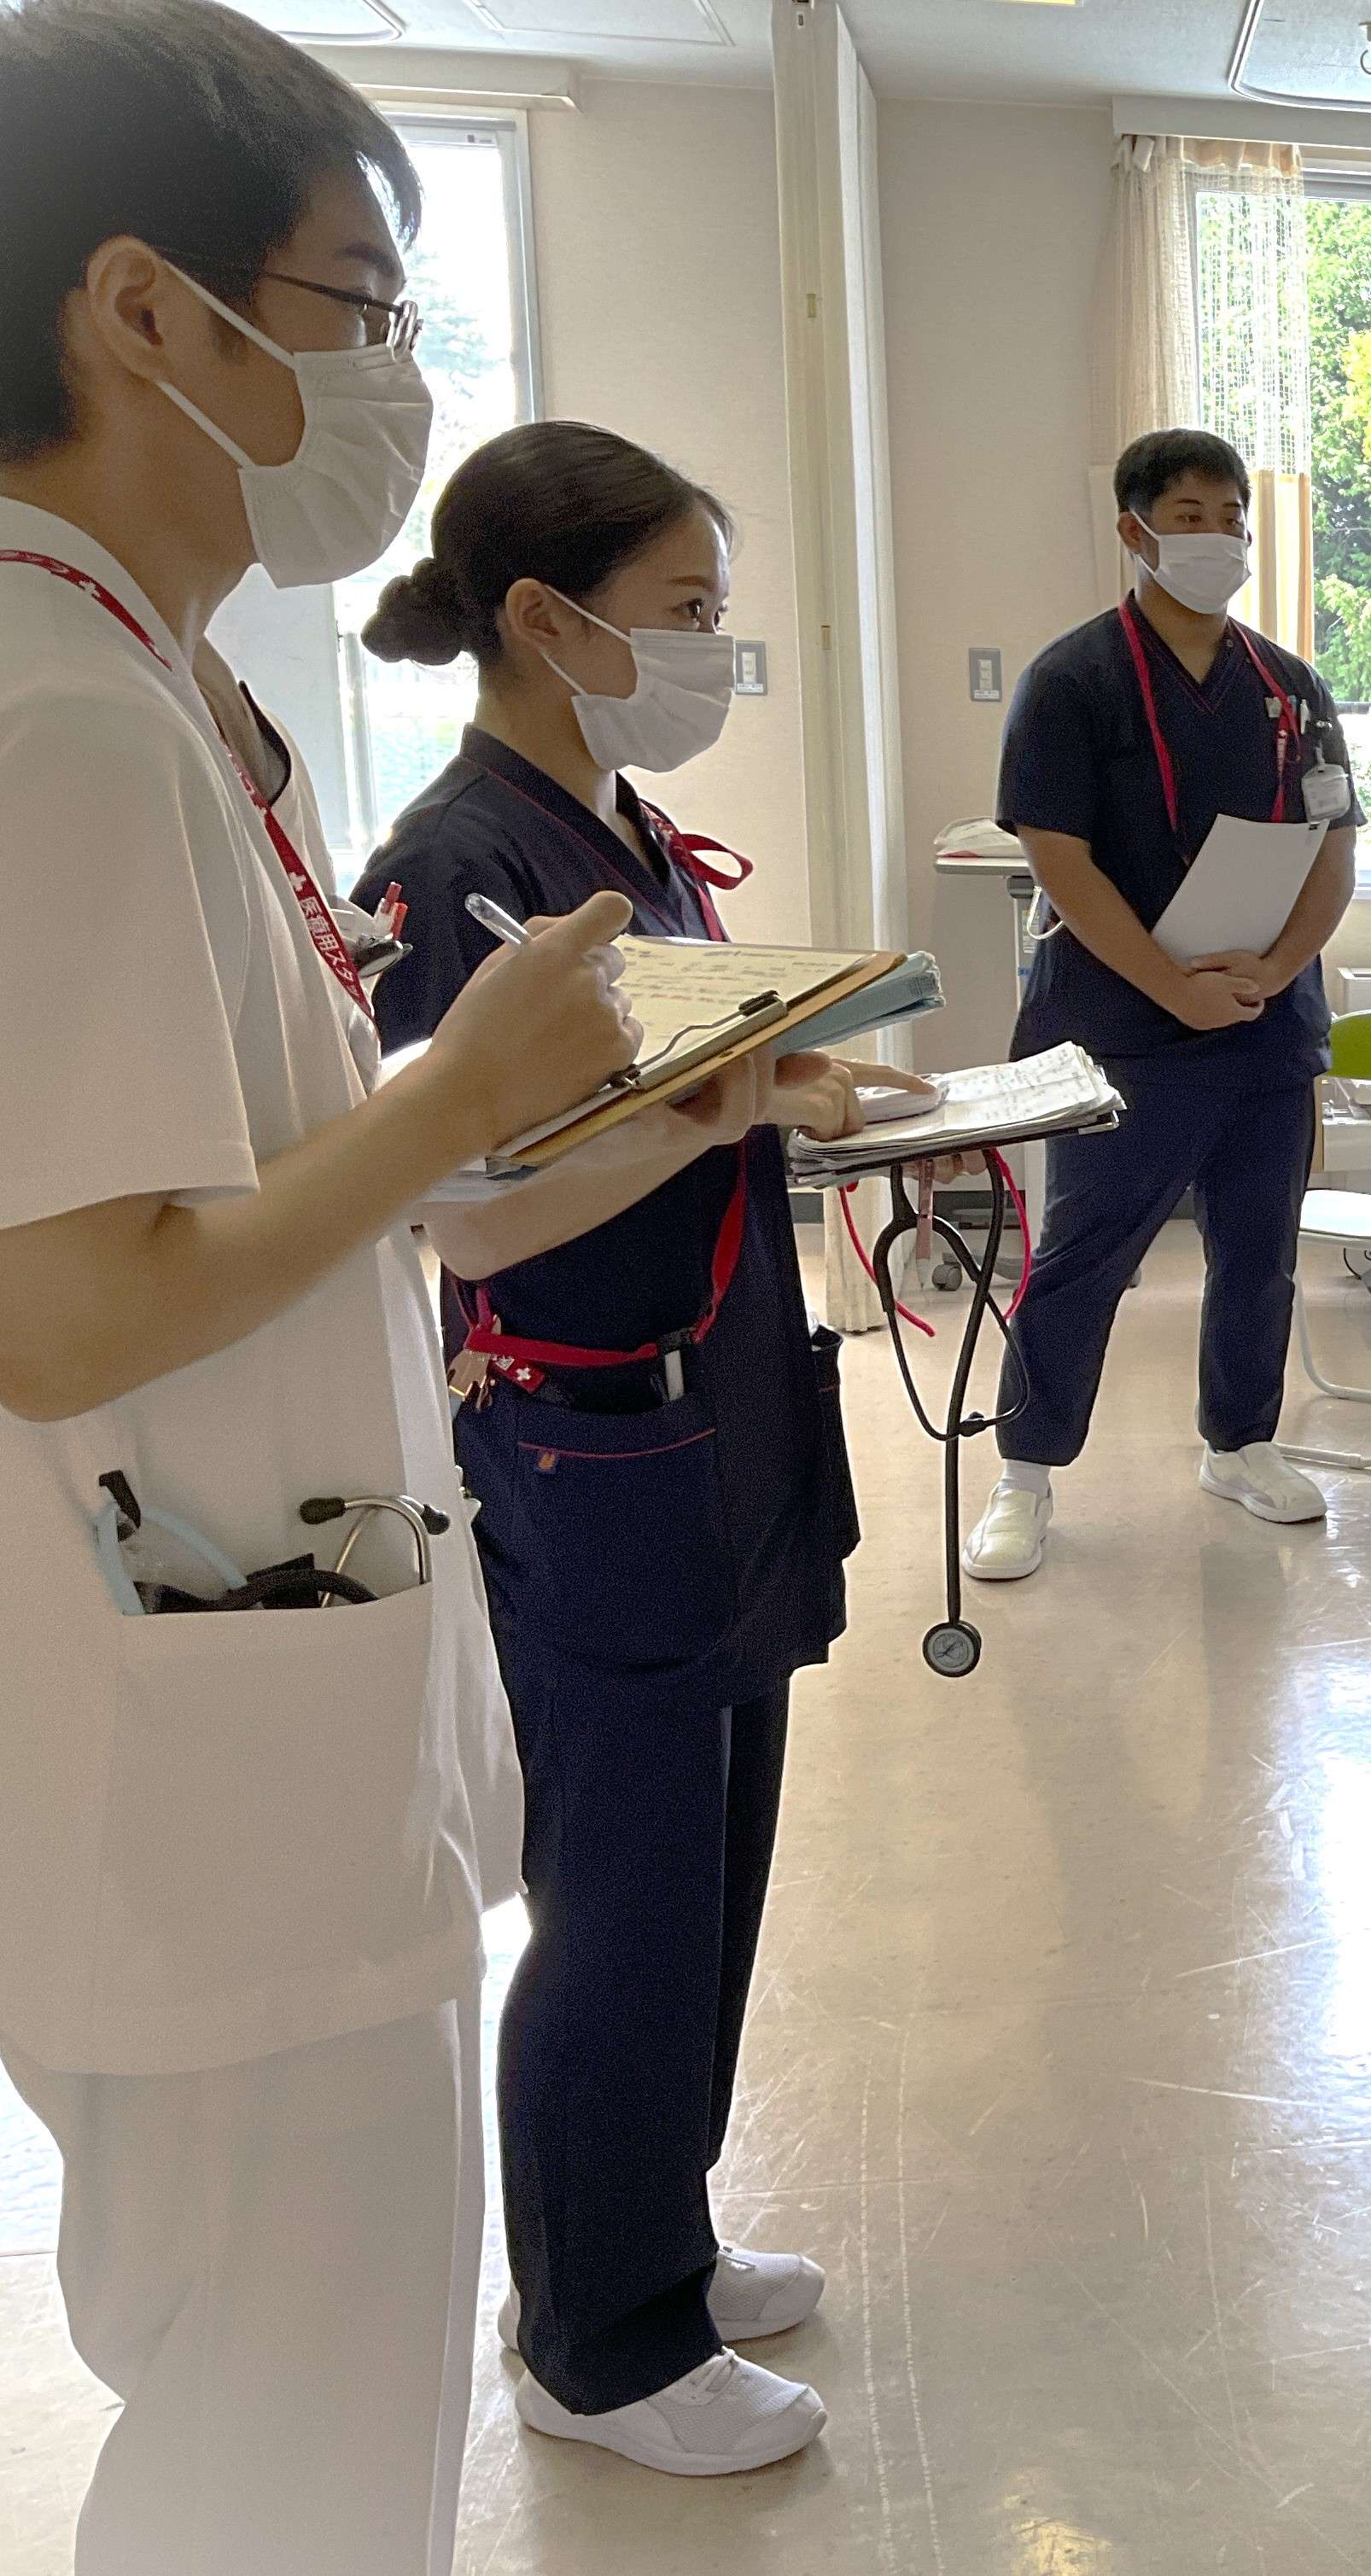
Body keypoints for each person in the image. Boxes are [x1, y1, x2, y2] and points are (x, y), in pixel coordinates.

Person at [0, 5, 645, 2564]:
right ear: (142, 309)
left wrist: (519, 1119)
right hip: (199, 1777)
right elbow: (65, 1308)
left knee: (296, 2404)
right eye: (360, 306)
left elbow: (288, 1187)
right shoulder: (62, 718)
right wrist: (456, 1090)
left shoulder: (148, 686)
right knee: (292, 2449)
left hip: (241, 1667)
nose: (397, 379)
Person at [349, 419, 902, 2476]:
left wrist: (792, 1089)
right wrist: (732, 1112)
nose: (712, 656)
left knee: (713, 1868)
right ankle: (598, 2342)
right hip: (591, 1438)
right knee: (622, 1890)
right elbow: (473, 1219)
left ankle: (649, 2225)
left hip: (712, 1400)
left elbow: (663, 1095)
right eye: (684, 613)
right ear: (544, 618)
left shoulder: (622, 834)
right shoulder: (458, 873)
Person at [963, 427, 1362, 1578]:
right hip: (1128, 1030)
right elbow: (1058, 858)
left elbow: (1334, 848)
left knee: (1258, 1251)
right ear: (1133, 530)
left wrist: (1273, 974)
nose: (1216, 536)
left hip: (1262, 1023)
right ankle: (1025, 1470)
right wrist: (1170, 988)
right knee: (1084, 1256)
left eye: (1231, 515)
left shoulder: (1289, 689)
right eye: (1189, 515)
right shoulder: (1073, 679)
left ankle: (1241, 1442)